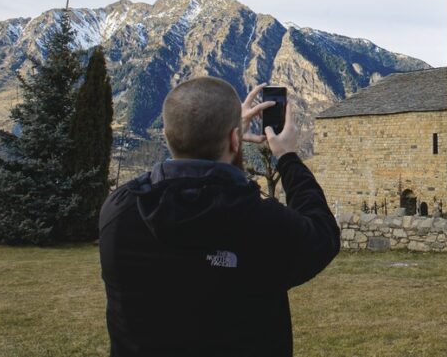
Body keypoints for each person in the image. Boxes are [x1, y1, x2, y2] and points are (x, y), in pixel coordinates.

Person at [99, 78, 340, 357]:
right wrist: (287, 156)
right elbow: (323, 234)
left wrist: (221, 136)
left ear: (166, 135)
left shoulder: (119, 212)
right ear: (235, 140)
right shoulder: (261, 222)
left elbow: (159, 181)